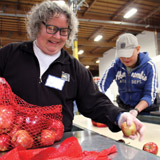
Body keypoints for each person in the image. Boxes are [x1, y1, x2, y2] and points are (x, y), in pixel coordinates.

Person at [0, 0, 144, 141]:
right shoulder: (10, 55)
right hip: (11, 141)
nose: (57, 36)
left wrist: (120, 117)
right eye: (51, 28)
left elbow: (94, 102)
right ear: (37, 26)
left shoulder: (74, 69)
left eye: (63, 31)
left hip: (57, 145)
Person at [99, 33, 158, 117]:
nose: (125, 59)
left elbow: (150, 95)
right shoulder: (116, 65)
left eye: (129, 54)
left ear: (138, 49)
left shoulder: (149, 66)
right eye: (122, 55)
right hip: (125, 109)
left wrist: (136, 110)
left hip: (146, 111)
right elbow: (101, 85)